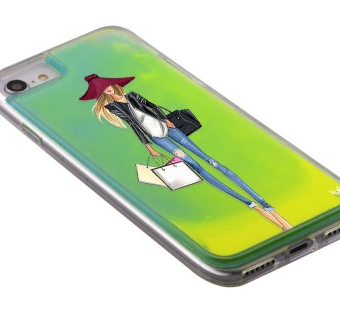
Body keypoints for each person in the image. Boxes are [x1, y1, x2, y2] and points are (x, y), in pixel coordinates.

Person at [79, 74, 292, 231]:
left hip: (170, 129)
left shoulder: (133, 95)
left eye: (108, 86)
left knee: (211, 161)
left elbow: (152, 106)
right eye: (103, 90)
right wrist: (149, 146)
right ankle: (252, 204)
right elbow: (135, 126)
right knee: (195, 166)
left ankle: (264, 204)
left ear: (113, 85)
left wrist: (166, 120)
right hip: (158, 138)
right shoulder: (113, 109)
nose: (108, 90)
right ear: (102, 94)